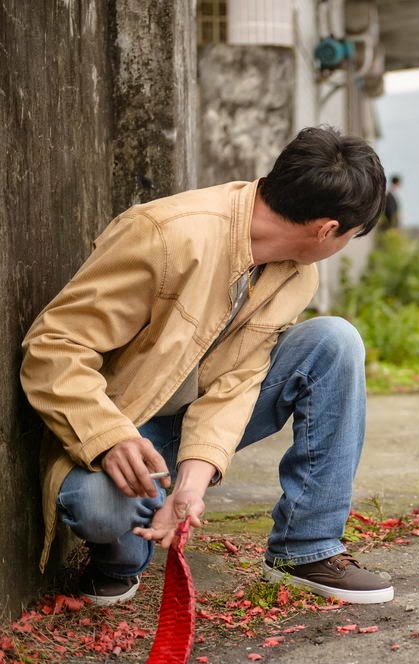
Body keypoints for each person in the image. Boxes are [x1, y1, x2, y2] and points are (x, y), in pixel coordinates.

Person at [20, 126, 395, 605]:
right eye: (353, 235)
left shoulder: (296, 274)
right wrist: (108, 438)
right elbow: (53, 346)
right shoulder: (167, 234)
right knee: (101, 508)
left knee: (334, 340)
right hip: (123, 423)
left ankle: (306, 549)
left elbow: (239, 382)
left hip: (187, 425)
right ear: (326, 230)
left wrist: (192, 486)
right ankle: (119, 556)